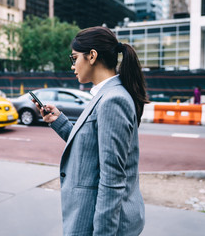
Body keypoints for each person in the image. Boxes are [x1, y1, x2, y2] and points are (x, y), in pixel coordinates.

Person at [35, 26, 149, 235]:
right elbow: (91, 150)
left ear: (92, 56)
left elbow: (112, 180)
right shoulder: (105, 95)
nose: (73, 66)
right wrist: (59, 121)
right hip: (93, 217)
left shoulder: (113, 100)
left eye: (74, 58)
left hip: (101, 224)